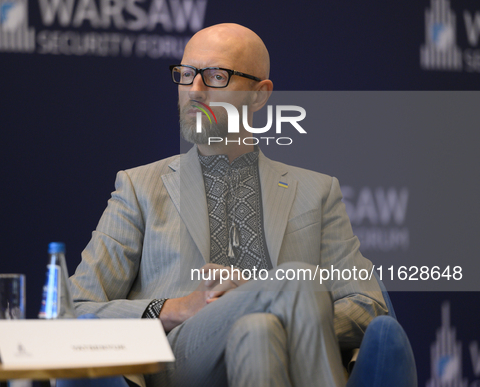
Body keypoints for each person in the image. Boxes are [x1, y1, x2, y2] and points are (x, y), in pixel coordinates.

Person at [69, 23, 388, 387]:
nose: (195, 91)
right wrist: (174, 308)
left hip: (275, 354)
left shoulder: (316, 191)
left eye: (216, 76)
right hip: (179, 363)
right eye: (186, 75)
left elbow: (368, 305)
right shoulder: (140, 187)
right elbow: (75, 308)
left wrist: (282, 310)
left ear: (259, 94)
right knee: (297, 280)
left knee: (261, 328)